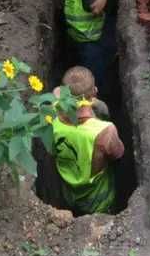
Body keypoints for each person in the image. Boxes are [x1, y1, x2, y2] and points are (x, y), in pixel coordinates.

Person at [52, 66, 124, 215]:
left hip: (66, 188)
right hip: (97, 199)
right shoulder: (104, 131)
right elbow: (118, 154)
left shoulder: (49, 113)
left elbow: (56, 93)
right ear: (94, 93)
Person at [64, 0, 116, 93]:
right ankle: (98, 101)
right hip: (88, 41)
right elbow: (96, 9)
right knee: (95, 78)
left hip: (75, 37)